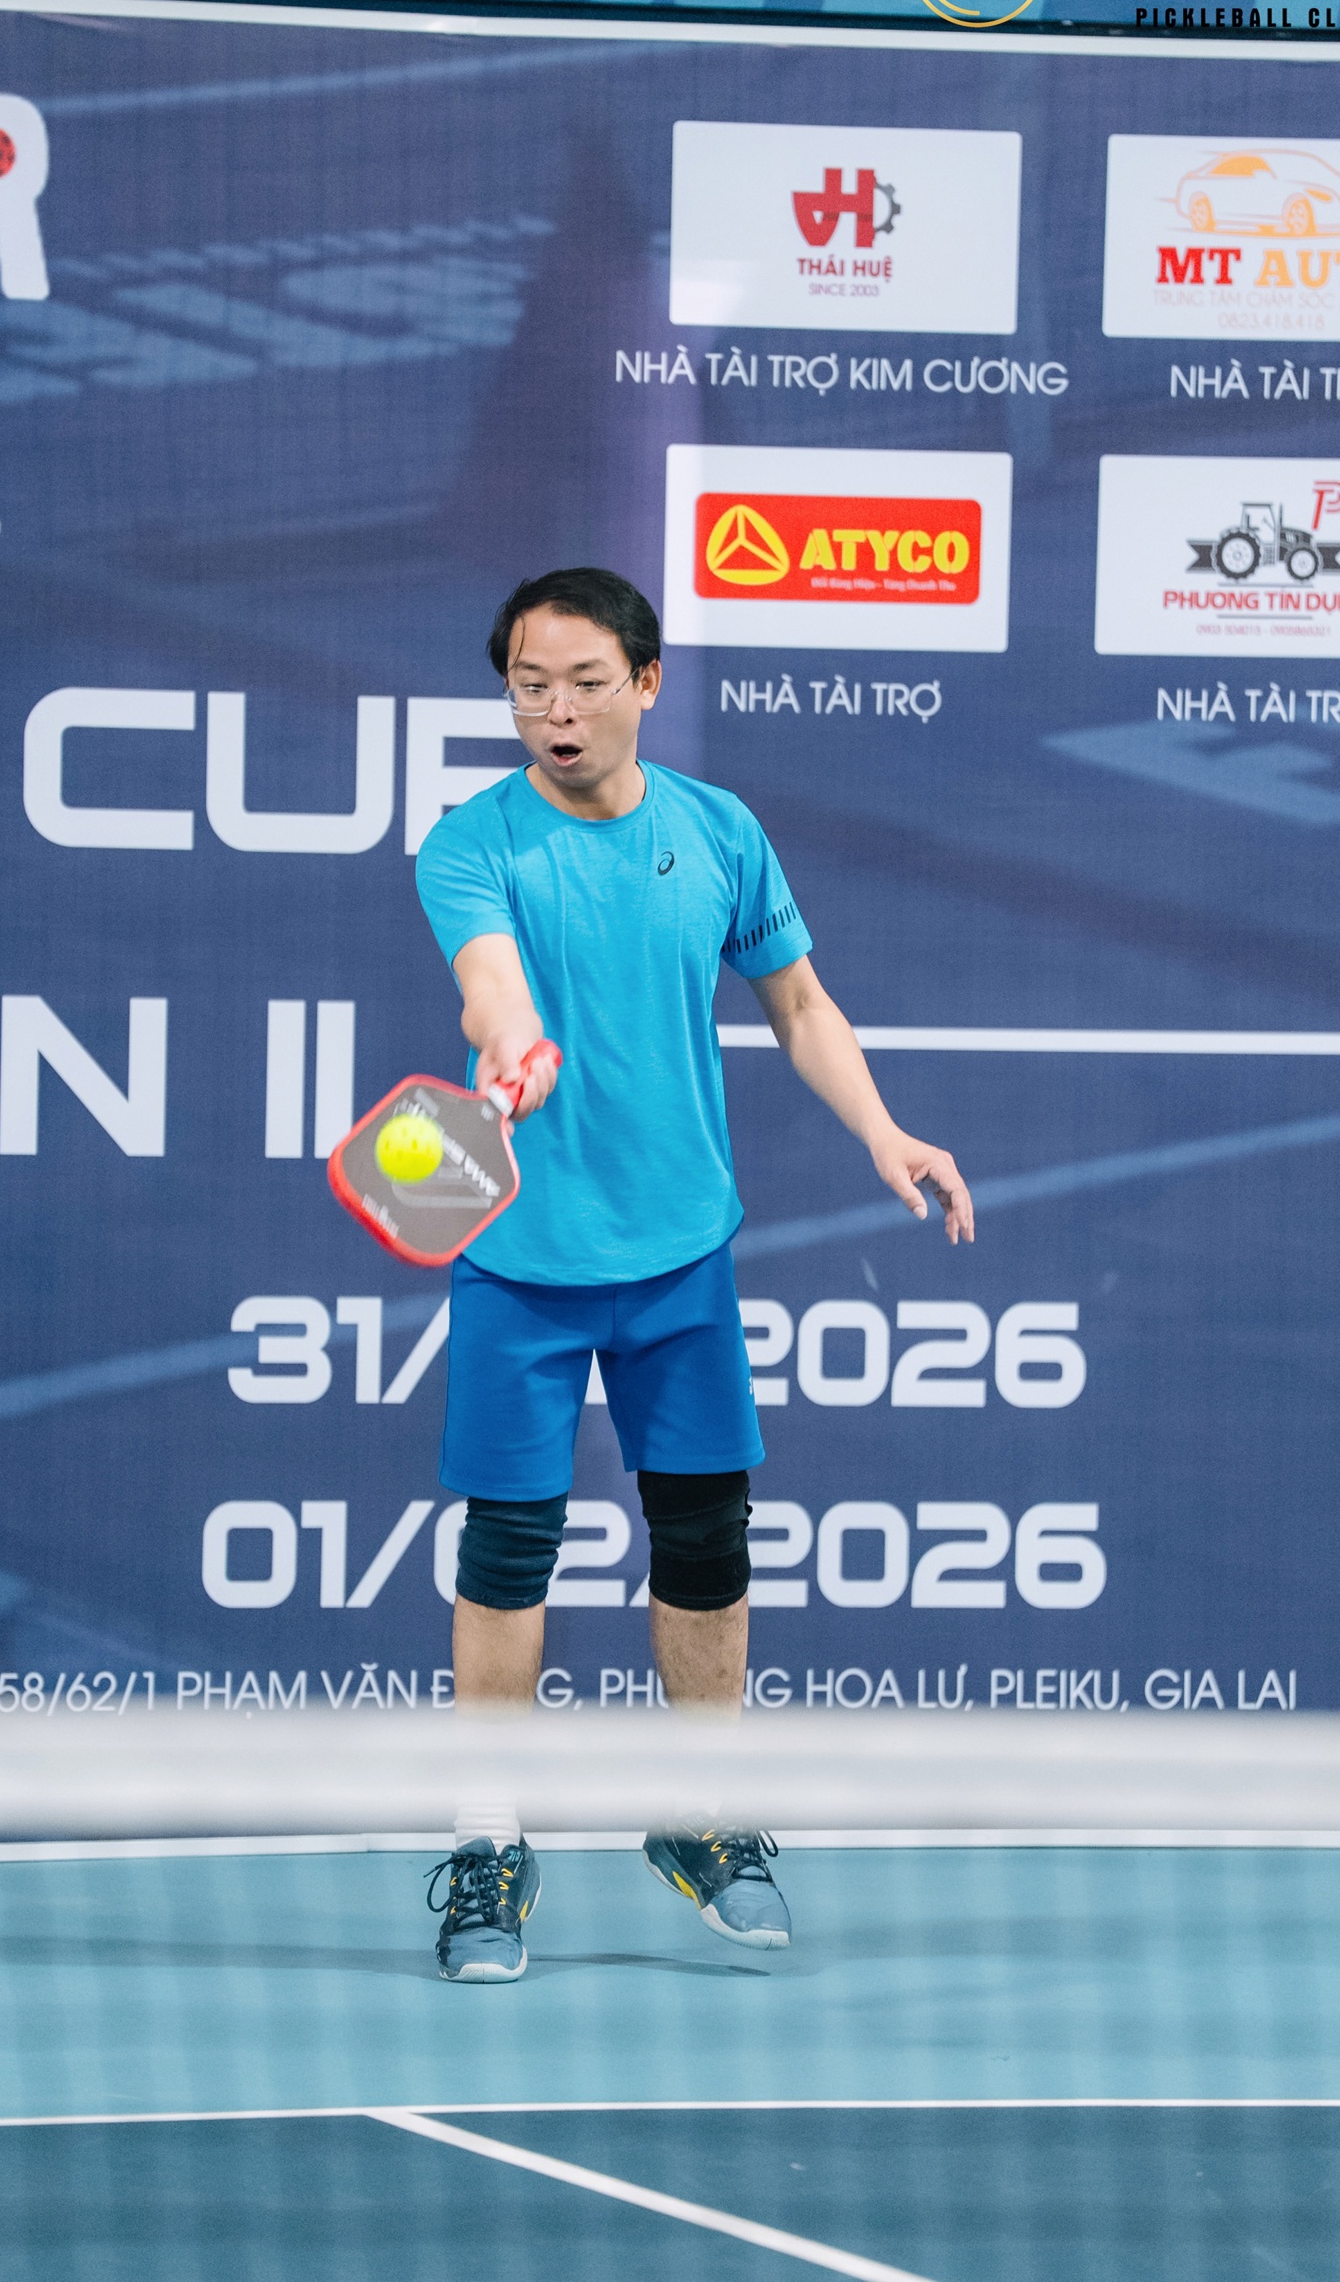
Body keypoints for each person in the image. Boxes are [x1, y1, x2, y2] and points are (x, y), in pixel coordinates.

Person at [414, 567, 974, 1983]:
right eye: (529, 687)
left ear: (646, 684)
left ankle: (702, 1812)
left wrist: (884, 1129)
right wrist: (513, 1041)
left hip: (679, 1253)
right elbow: (490, 980)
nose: (555, 711)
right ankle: (487, 1843)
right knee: (509, 1545)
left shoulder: (719, 832)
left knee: (709, 1536)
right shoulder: (471, 843)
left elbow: (800, 1003)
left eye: (584, 683)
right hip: (522, 1256)